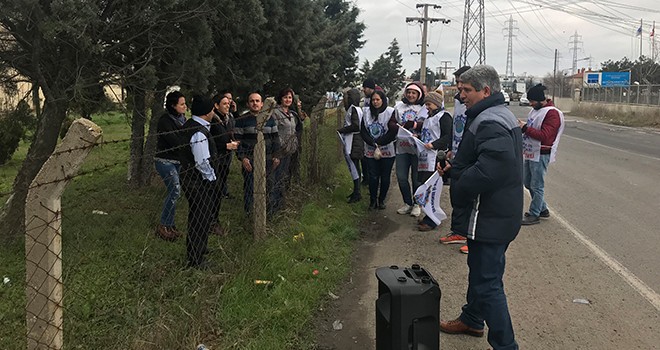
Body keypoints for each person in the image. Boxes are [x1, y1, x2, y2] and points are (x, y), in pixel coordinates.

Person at [439, 65, 522, 350]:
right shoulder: (491, 115)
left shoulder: (490, 120)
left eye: (466, 90)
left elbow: (492, 169)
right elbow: (483, 159)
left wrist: (458, 179)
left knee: (488, 282)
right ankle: (473, 318)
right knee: (480, 271)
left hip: (489, 214)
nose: (461, 95)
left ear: (486, 91)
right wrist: (458, 164)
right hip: (493, 213)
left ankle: (505, 345)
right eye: (459, 89)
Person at [179, 95, 219, 268]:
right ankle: (196, 258)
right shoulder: (198, 132)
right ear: (207, 112)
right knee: (199, 217)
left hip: (193, 179)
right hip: (198, 181)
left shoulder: (192, 125)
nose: (213, 112)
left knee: (200, 215)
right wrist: (211, 178)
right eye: (212, 109)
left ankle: (200, 247)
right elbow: (202, 161)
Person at [519, 83, 565, 225]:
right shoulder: (535, 111)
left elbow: (545, 135)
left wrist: (525, 128)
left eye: (533, 101)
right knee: (527, 182)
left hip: (542, 152)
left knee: (537, 184)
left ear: (540, 100)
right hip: (531, 152)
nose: (531, 104)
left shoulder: (552, 113)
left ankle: (534, 213)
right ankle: (542, 208)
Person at [439, 65, 472, 252]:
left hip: (470, 156)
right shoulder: (459, 101)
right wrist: (451, 148)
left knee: (471, 198)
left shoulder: (474, 102)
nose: (459, 85)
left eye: (463, 82)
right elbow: (456, 127)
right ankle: (459, 231)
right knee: (456, 194)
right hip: (457, 154)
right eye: (457, 81)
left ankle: (473, 237)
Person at [234, 91, 281, 214]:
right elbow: (237, 142)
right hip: (250, 160)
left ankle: (269, 213)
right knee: (250, 187)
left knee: (269, 186)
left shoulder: (270, 120)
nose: (255, 103)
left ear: (261, 104)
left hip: (269, 159)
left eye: (257, 101)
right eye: (252, 101)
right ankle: (250, 214)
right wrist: (243, 158)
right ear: (248, 104)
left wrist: (277, 156)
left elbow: (275, 139)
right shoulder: (241, 121)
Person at [414, 91, 453, 231]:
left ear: (436, 103)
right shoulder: (428, 118)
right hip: (425, 157)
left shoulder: (444, 117)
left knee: (431, 189)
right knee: (425, 186)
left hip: (436, 156)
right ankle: (428, 216)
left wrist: (434, 145)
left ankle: (431, 220)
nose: (427, 107)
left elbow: (448, 136)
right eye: (426, 104)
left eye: (428, 104)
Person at [154, 91, 187, 241]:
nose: (185, 106)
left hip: (177, 161)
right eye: (182, 104)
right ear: (173, 105)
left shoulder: (182, 119)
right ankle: (163, 225)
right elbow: (175, 141)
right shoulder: (165, 121)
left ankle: (170, 225)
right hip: (165, 161)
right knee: (175, 191)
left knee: (175, 192)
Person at [360, 90, 398, 210]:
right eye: (373, 100)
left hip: (387, 149)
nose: (375, 102)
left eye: (378, 99)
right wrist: (372, 143)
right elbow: (363, 131)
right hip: (370, 149)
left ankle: (381, 200)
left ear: (383, 100)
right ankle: (372, 200)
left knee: (385, 176)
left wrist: (379, 143)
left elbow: (393, 132)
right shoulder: (365, 112)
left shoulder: (390, 112)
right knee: (373, 176)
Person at [394, 81, 428, 217]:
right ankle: (407, 202)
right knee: (401, 177)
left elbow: (428, 125)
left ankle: (417, 204)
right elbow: (393, 122)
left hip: (417, 149)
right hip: (402, 148)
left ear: (419, 94)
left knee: (416, 179)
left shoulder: (424, 108)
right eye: (408, 92)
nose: (410, 95)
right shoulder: (399, 107)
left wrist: (417, 129)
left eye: (414, 93)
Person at [208, 94, 239, 237]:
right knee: (213, 192)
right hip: (215, 160)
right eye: (224, 103)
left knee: (219, 190)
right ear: (216, 105)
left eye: (229, 103)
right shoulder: (213, 121)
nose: (227, 105)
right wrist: (225, 145)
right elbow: (209, 142)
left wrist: (233, 142)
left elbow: (230, 134)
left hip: (225, 159)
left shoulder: (228, 119)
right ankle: (211, 221)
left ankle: (214, 219)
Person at [271, 88, 299, 204]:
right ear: (280, 98)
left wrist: (294, 144)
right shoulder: (276, 113)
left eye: (290, 97)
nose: (288, 100)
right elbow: (274, 132)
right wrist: (282, 145)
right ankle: (273, 204)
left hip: (289, 151)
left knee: (284, 177)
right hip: (279, 152)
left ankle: (281, 202)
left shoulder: (291, 114)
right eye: (285, 97)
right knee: (276, 178)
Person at [337, 88, 364, 203]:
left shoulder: (353, 110)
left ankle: (357, 193)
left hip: (354, 141)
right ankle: (356, 191)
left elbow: (355, 126)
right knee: (355, 167)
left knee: (354, 167)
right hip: (354, 141)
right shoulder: (356, 109)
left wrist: (342, 130)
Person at [360, 78, 376, 186]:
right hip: (365, 130)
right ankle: (366, 178)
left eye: (365, 88)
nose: (363, 90)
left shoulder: (376, 98)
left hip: (375, 131)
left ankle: (372, 179)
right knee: (364, 157)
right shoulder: (365, 100)